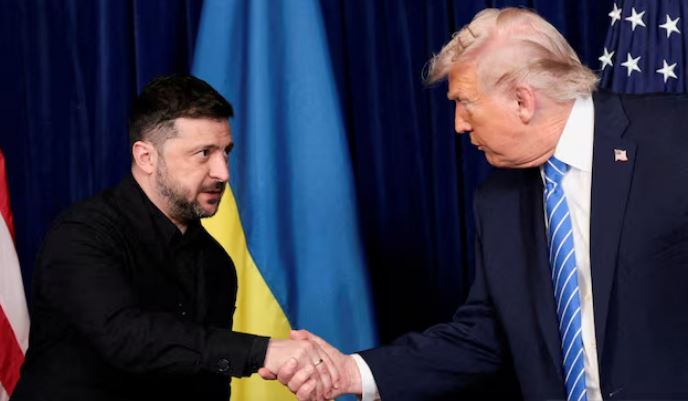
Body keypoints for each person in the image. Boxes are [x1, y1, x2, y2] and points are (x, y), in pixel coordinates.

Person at [265, 7, 688, 401]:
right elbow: (484, 336)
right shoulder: (498, 201)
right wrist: (352, 372)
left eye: (464, 103)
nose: (458, 125)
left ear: (522, 100)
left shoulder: (674, 137)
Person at [11, 75, 337, 401]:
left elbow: (208, 386)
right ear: (146, 157)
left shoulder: (217, 264)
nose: (223, 173)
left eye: (226, 152)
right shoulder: (81, 234)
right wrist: (261, 352)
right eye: (204, 153)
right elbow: (126, 337)